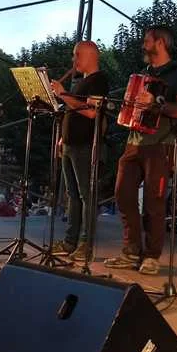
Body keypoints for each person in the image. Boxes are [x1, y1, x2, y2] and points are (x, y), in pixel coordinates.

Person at [105, 26, 177, 276]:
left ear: (161, 43)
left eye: (147, 41)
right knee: (123, 194)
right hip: (134, 141)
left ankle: (152, 256)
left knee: (155, 201)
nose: (143, 45)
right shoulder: (143, 74)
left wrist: (155, 104)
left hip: (161, 142)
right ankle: (131, 251)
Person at [49, 41, 110, 265]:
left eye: (76, 55)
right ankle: (70, 241)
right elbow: (73, 112)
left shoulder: (98, 80)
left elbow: (91, 112)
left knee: (86, 195)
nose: (73, 60)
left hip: (85, 144)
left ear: (90, 55)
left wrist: (63, 94)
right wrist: (63, 138)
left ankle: (85, 244)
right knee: (73, 195)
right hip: (70, 144)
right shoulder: (82, 81)